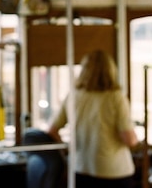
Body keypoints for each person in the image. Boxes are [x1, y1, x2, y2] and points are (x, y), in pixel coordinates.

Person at [48, 49, 139, 188]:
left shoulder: (73, 96)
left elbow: (52, 130)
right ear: (111, 70)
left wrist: (69, 149)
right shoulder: (116, 97)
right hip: (114, 172)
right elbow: (130, 139)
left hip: (80, 168)